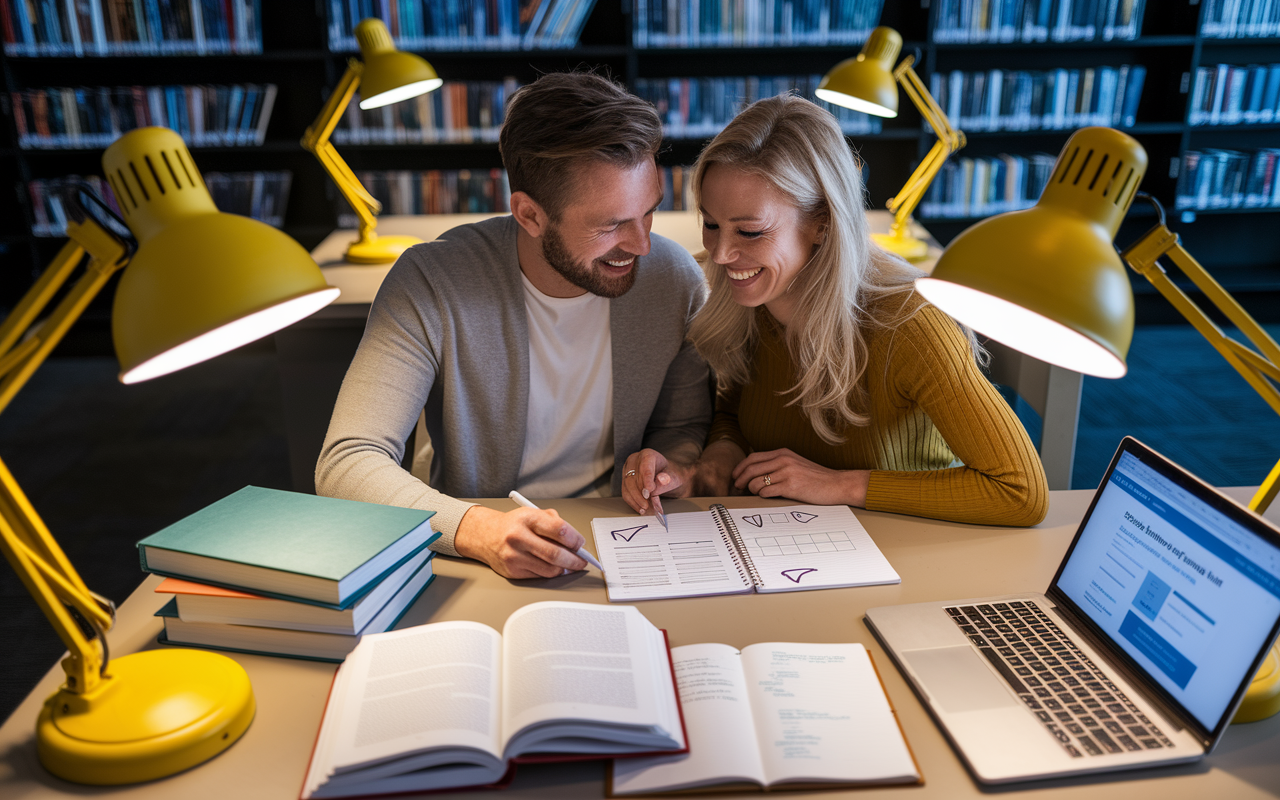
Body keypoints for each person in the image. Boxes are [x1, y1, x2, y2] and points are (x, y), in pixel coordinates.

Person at [317, 72, 712, 578]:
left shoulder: (673, 280)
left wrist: (668, 462)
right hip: (477, 549)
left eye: (649, 212)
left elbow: (683, 425)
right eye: (610, 225)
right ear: (529, 215)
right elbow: (346, 463)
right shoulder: (431, 281)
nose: (641, 245)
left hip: (627, 539)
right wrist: (478, 529)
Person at [621, 94, 1048, 527]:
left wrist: (842, 485)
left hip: (913, 547)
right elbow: (735, 414)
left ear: (823, 222)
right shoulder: (754, 298)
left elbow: (1020, 491)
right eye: (711, 224)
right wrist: (708, 467)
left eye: (750, 232)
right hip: (805, 544)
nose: (722, 253)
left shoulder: (911, 325)